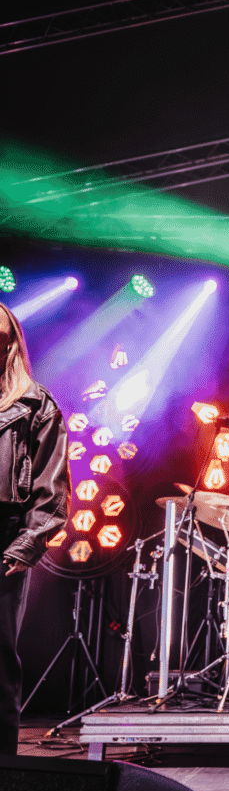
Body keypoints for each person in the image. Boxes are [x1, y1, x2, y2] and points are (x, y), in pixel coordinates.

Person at [0, 302, 70, 755]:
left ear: (10, 342)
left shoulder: (35, 405)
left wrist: (25, 546)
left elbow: (52, 488)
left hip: (3, 538)